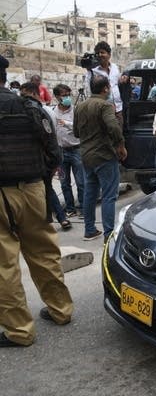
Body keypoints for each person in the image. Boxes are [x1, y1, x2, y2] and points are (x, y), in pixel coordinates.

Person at [0, 55, 74, 347]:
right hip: (34, 190)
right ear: (5, 78)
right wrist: (37, 180)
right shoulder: (30, 107)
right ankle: (61, 310)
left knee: (5, 266)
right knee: (44, 253)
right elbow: (54, 153)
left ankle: (19, 331)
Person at [74, 76, 127, 242]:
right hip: (104, 155)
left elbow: (76, 132)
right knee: (109, 195)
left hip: (86, 156)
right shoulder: (105, 105)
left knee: (90, 194)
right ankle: (109, 234)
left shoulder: (80, 106)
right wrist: (120, 145)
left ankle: (89, 230)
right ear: (105, 89)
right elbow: (113, 126)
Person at [20, 82, 72, 231]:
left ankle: (53, 219)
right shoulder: (46, 110)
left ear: (36, 94)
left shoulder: (45, 111)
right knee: (49, 189)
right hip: (46, 158)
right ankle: (60, 218)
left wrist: (54, 160)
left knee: (46, 189)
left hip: (44, 159)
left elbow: (50, 136)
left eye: (25, 95)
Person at [53, 84, 85, 218]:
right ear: (56, 97)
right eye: (63, 95)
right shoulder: (53, 111)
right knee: (64, 183)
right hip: (60, 152)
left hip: (76, 150)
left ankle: (83, 208)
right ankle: (70, 208)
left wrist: (66, 124)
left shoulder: (76, 111)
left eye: (68, 95)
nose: (66, 97)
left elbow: (81, 128)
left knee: (81, 182)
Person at [84, 41, 128, 125]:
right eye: (98, 53)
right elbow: (88, 90)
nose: (100, 55)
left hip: (118, 109)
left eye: (102, 52)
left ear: (109, 55)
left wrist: (125, 76)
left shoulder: (115, 67)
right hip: (102, 110)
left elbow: (117, 82)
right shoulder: (92, 71)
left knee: (118, 134)